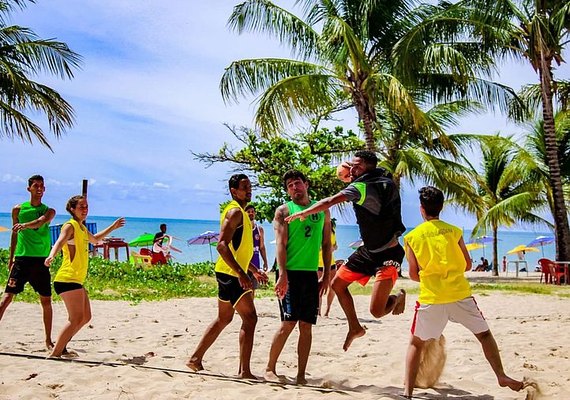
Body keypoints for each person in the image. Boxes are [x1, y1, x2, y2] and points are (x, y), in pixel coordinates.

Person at [402, 186, 524, 398]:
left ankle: (408, 392)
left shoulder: (412, 237)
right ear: (441, 207)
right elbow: (467, 265)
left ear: (421, 210)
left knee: (416, 343)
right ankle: (501, 375)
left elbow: (413, 275)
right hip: (460, 295)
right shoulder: (455, 231)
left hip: (432, 297)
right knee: (484, 335)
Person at [285, 151, 406, 351]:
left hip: (388, 254)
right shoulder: (383, 179)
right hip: (368, 251)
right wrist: (350, 171)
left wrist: (304, 212)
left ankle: (396, 298)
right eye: (351, 165)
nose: (352, 169)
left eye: (357, 166)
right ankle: (355, 327)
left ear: (367, 167)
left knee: (377, 311)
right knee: (337, 284)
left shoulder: (361, 187)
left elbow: (329, 201)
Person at [187, 174, 268, 379]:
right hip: (231, 274)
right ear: (234, 191)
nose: (249, 189)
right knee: (250, 319)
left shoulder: (241, 212)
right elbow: (222, 245)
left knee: (224, 318)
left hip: (228, 272)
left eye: (249, 186)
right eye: (244, 187)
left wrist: (253, 269)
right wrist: (242, 274)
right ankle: (245, 371)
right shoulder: (234, 212)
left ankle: (195, 359)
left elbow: (236, 248)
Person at [266, 170, 331, 384]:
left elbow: (326, 244)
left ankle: (301, 375)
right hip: (290, 273)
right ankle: (270, 369)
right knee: (288, 323)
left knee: (306, 325)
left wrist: (327, 275)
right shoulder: (284, 210)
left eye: (297, 183)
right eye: (290, 185)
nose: (294, 188)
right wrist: (282, 274)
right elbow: (281, 245)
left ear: (306, 184)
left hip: (311, 273)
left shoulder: (321, 210)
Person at [45, 195, 125, 358]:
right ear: (72, 209)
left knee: (86, 317)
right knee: (75, 318)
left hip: (76, 280)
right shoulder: (70, 226)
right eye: (81, 206)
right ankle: (55, 353)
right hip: (67, 278)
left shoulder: (81, 227)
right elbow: (59, 242)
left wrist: (113, 227)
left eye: (86, 206)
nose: (85, 209)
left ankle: (63, 346)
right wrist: (52, 255)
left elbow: (95, 240)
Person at [0, 175, 56, 350]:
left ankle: (48, 340)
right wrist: (11, 258)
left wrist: (24, 225)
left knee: (46, 301)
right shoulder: (18, 209)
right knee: (7, 298)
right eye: (36, 186)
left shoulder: (49, 211)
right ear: (29, 189)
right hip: (22, 259)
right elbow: (14, 234)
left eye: (42, 186)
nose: (39, 188)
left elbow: (40, 223)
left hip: (41, 261)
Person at [245, 204, 269, 292]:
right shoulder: (242, 229)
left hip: (256, 264)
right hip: (245, 265)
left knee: (252, 290)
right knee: (243, 291)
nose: (251, 213)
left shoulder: (259, 230)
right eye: (248, 212)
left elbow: (262, 247)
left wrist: (265, 262)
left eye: (252, 212)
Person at [318, 218, 338, 317]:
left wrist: (332, 248)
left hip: (331, 263)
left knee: (333, 286)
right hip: (319, 264)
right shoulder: (317, 230)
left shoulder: (332, 229)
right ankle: (318, 311)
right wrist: (324, 248)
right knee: (319, 288)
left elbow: (335, 245)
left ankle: (327, 311)